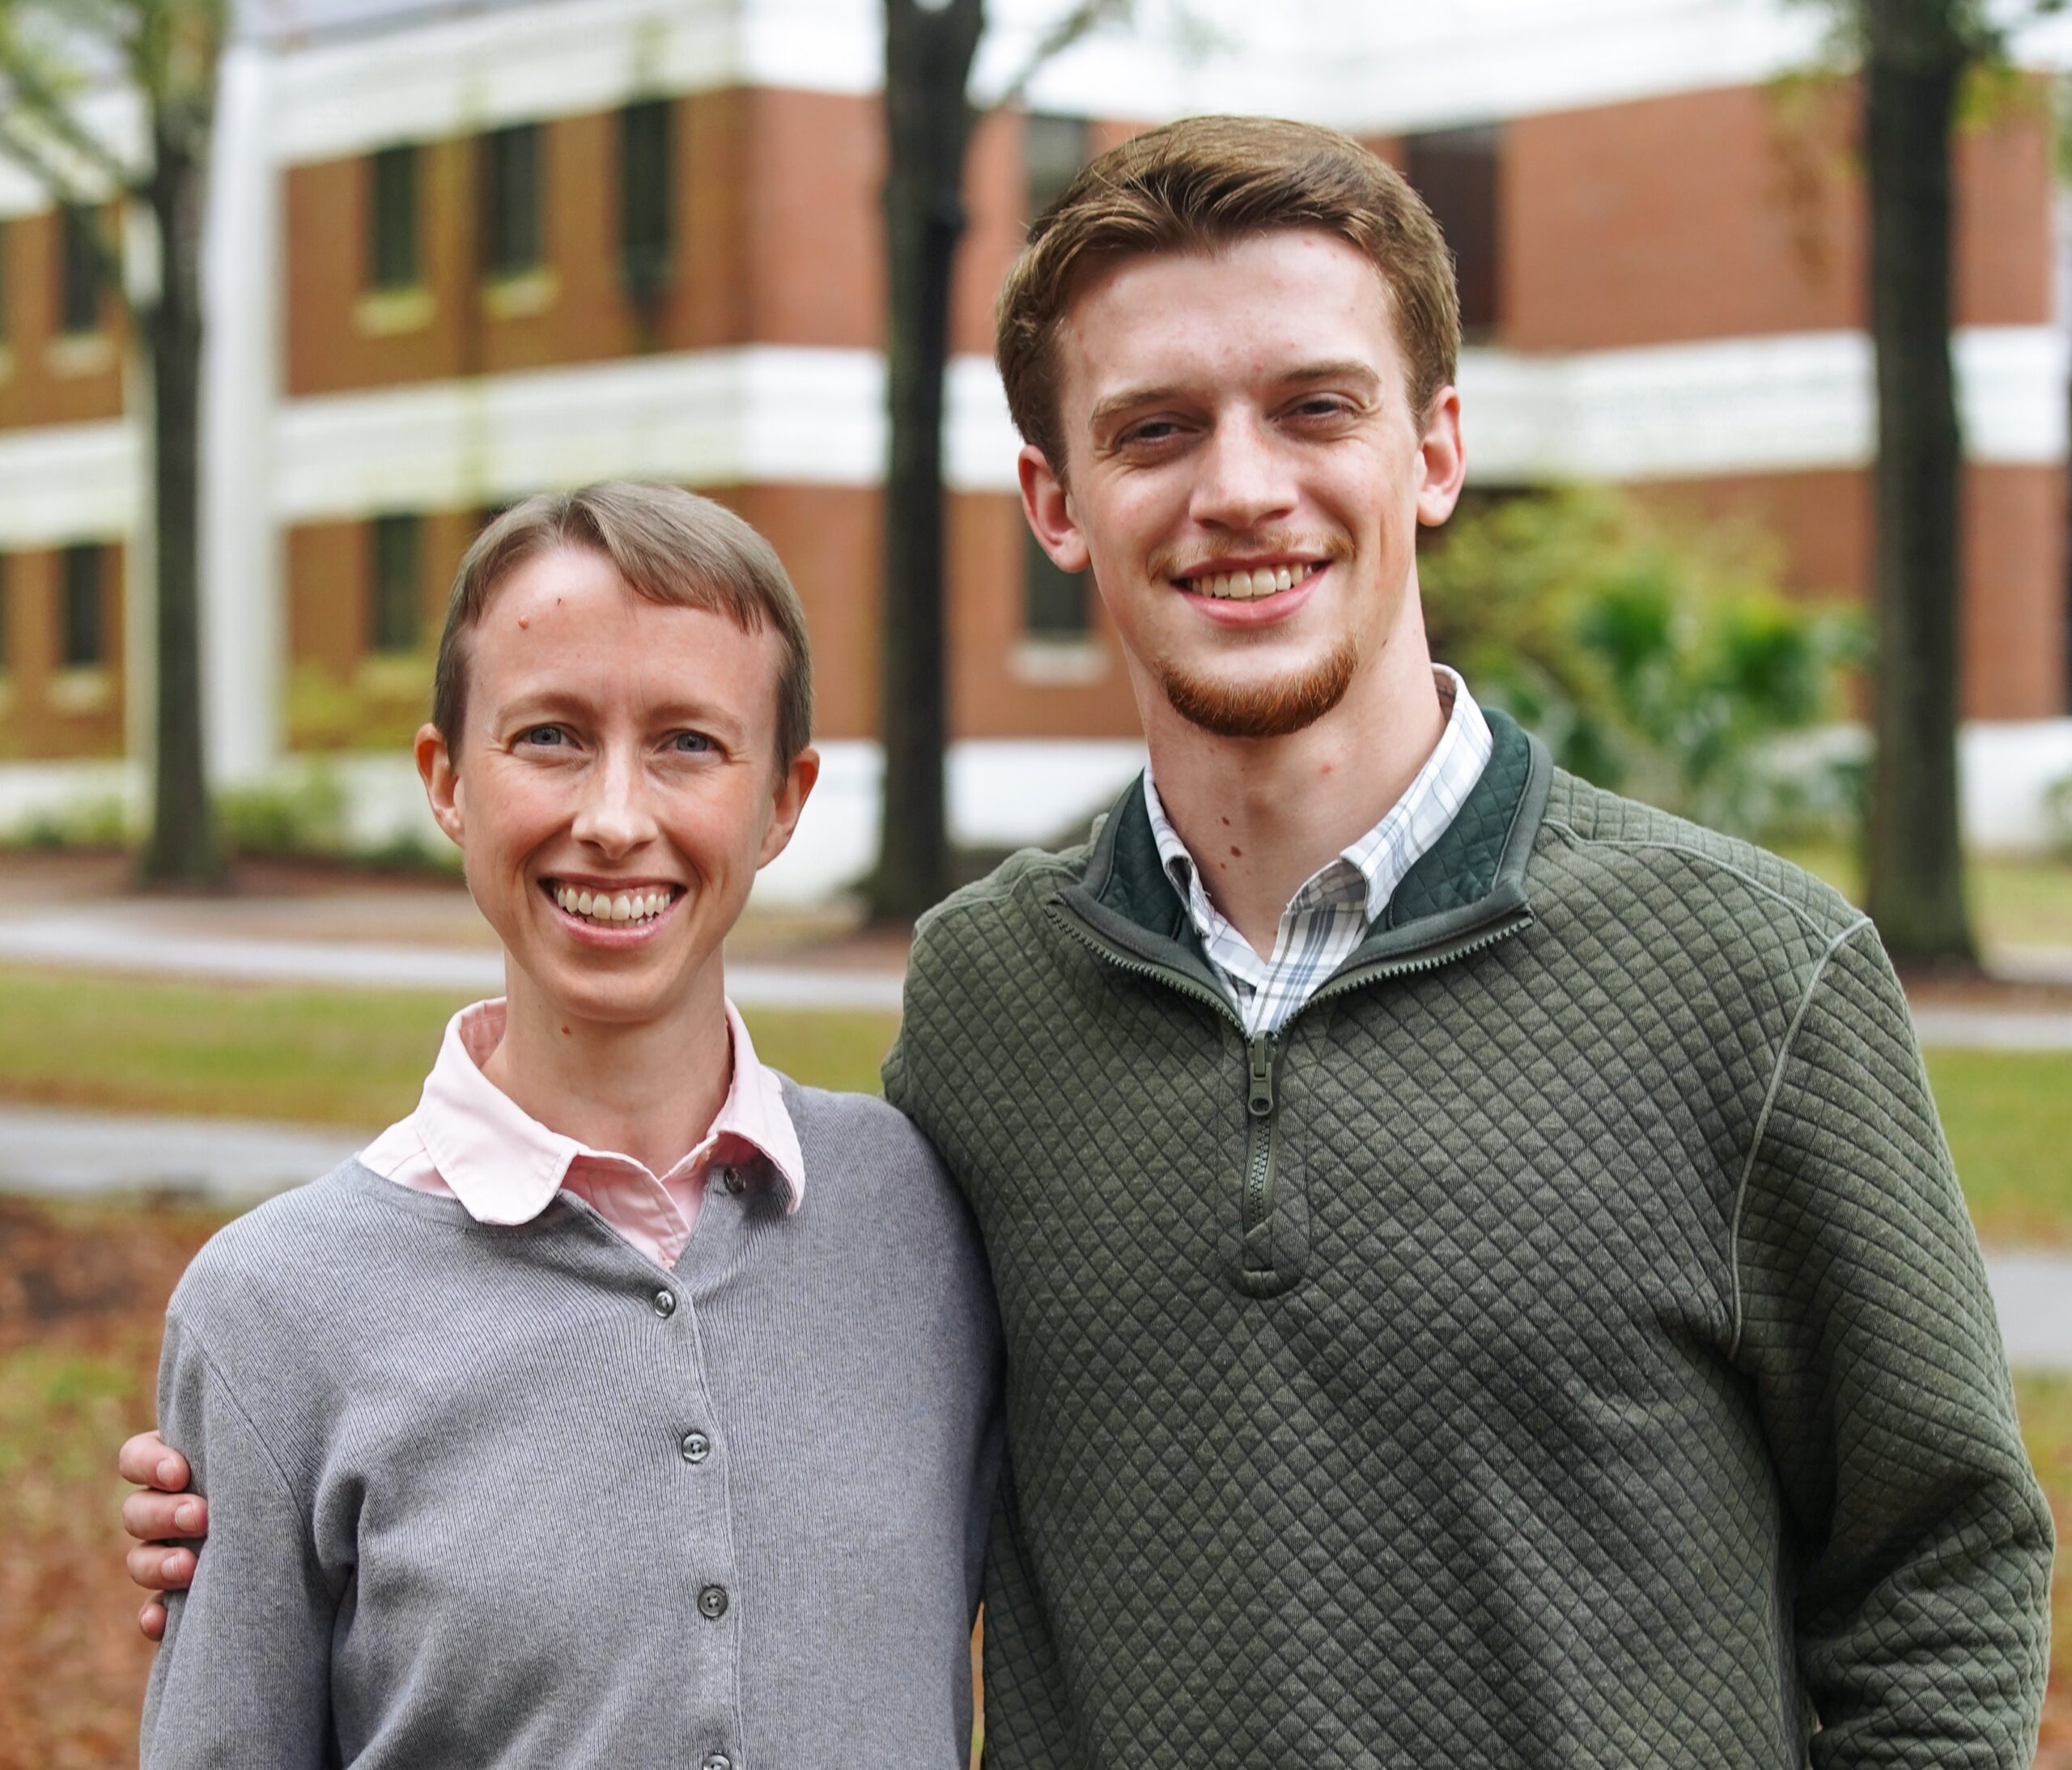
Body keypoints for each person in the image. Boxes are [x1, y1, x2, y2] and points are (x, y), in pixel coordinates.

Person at [125, 118, 2050, 1766]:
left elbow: (1941, 1568)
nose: (1239, 487)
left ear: (1434, 448)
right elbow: (747, 1397)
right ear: (1055, 497)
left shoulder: (1753, 979)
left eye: (1313, 407)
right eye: (1155, 428)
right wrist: (280, 1477)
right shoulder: (988, 1005)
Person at [126, 483, 1000, 1768]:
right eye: (550, 737)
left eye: (689, 743)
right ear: (448, 781)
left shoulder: (924, 1217)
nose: (615, 818)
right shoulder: (270, 1314)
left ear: (784, 799)